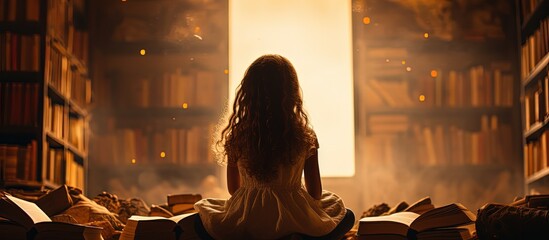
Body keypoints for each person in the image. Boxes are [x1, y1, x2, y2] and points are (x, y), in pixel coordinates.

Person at [194, 54, 355, 239]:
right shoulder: (305, 136)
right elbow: (316, 193)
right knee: (347, 216)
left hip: (250, 217)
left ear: (247, 94)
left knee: (201, 223)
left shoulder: (237, 136)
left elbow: (234, 190)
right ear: (292, 93)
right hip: (295, 216)